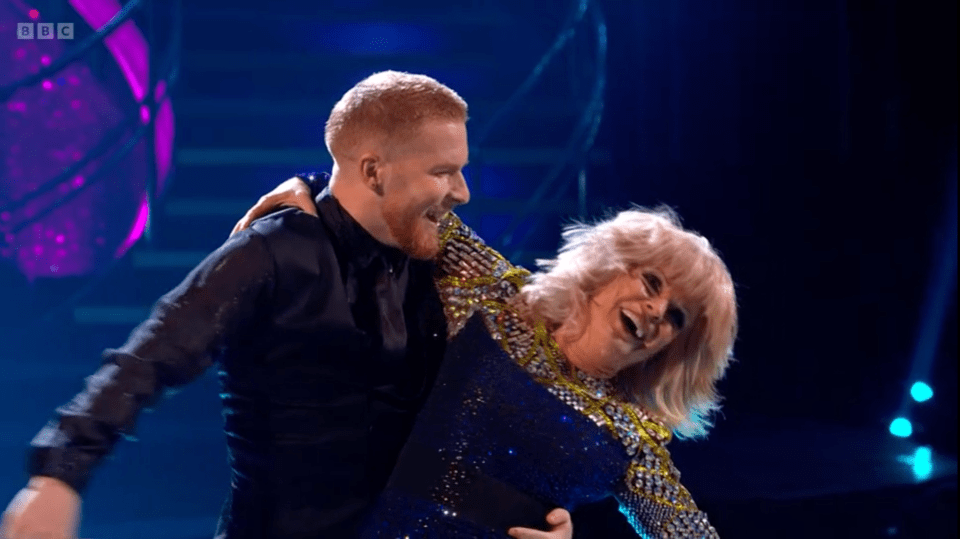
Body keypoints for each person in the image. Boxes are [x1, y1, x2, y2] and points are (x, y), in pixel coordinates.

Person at [0, 71, 572, 539]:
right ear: (374, 170)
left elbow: (481, 402)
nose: (464, 192)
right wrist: (58, 477)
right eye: (444, 171)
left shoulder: (432, 251)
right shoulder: (269, 252)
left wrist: (525, 512)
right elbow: (148, 358)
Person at [236, 185, 737, 537]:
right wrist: (309, 186)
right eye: (651, 284)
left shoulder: (631, 436)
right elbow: (407, 195)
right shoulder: (501, 297)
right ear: (610, 267)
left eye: (675, 316)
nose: (654, 312)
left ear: (675, 346)